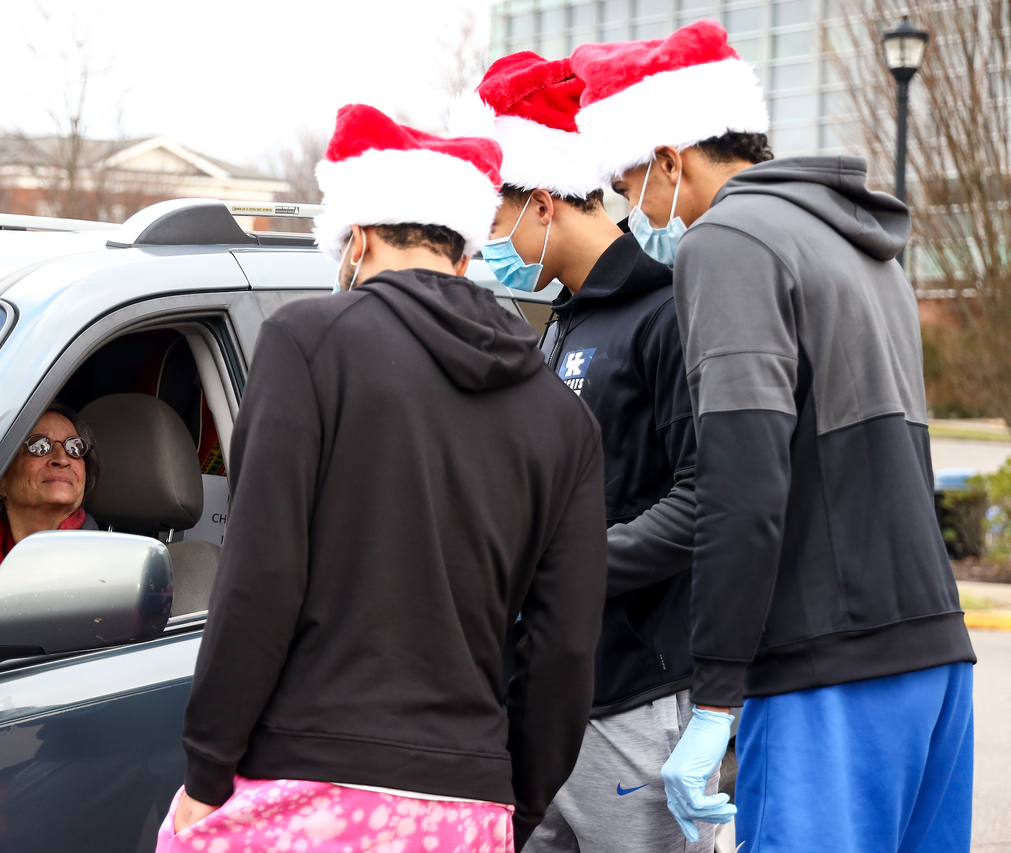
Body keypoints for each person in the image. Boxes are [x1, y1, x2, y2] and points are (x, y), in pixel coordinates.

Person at [572, 20, 977, 852]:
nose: (633, 207)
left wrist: (714, 699)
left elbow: (741, 487)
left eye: (628, 184)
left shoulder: (727, 240)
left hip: (824, 666)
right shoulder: (867, 246)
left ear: (668, 155)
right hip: (933, 653)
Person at [160, 104, 609, 853]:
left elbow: (261, 577)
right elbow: (563, 649)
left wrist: (207, 772)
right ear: (464, 255)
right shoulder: (561, 417)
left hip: (309, 782)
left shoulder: (308, 345)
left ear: (356, 240)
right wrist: (509, 805)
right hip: (469, 803)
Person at [454, 52, 709, 852]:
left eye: (493, 226)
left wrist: (571, 569)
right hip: (549, 687)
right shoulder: (564, 319)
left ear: (540, 204)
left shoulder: (665, 315)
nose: (489, 249)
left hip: (635, 694)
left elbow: (702, 500)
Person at [0, 402, 98, 580]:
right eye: (39, 446)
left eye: (75, 448)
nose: (62, 459)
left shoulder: (102, 567)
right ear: (0, 480)